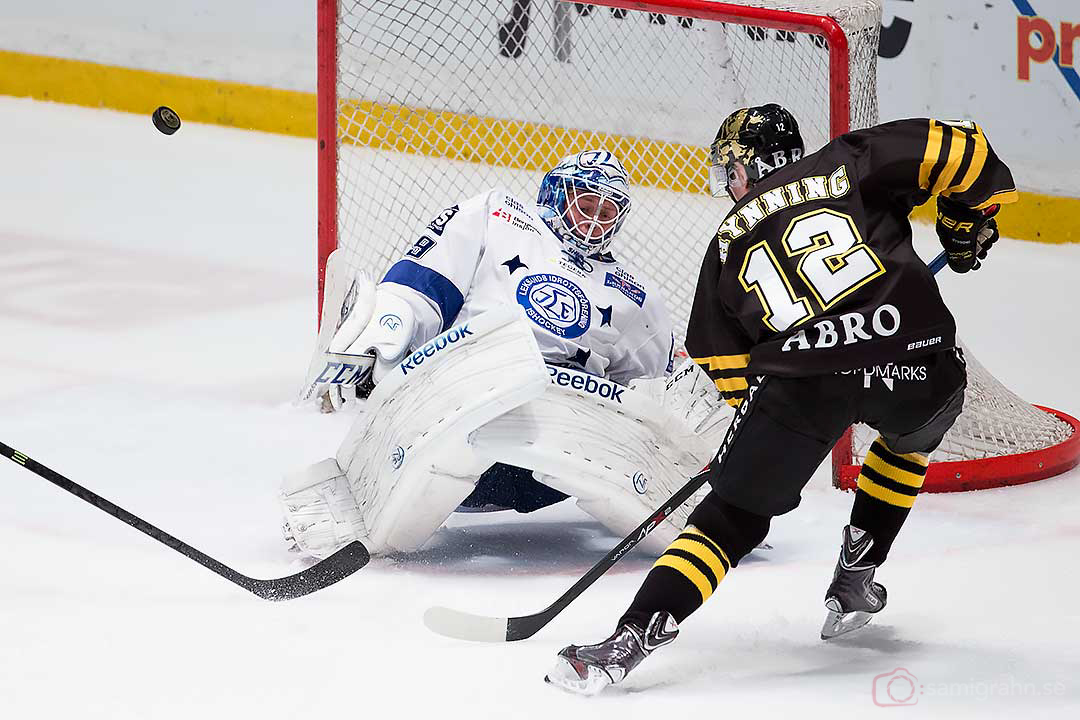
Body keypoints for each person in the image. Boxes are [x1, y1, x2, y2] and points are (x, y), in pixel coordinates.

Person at [545, 105, 1016, 695]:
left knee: (731, 517)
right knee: (911, 438)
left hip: (804, 383)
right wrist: (967, 214)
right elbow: (965, 148)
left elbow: (724, 366)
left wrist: (764, 431)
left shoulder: (724, 242)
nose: (728, 183)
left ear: (743, 167)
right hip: (918, 354)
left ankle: (630, 638)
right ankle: (858, 573)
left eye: (729, 169)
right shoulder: (851, 160)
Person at [282, 149, 718, 560]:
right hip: (467, 389)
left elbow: (650, 393)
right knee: (422, 497)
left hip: (552, 438)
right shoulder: (500, 215)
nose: (594, 224)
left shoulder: (638, 296)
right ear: (556, 194)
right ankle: (351, 515)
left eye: (607, 214)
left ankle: (705, 524)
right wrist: (386, 337)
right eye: (587, 205)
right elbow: (426, 280)